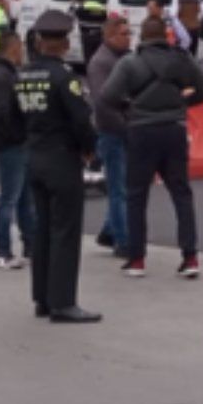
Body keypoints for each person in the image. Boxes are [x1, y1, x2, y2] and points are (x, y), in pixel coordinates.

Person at [99, 16, 203, 280]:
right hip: (174, 130)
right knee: (181, 194)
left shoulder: (130, 63)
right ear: (166, 36)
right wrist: (182, 104)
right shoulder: (181, 59)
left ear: (142, 36)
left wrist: (128, 110)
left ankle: (137, 259)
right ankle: (190, 257)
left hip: (141, 132)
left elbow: (107, 96)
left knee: (136, 196)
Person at [16, 11, 100, 323]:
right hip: (61, 159)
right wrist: (90, 148)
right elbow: (81, 119)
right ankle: (64, 302)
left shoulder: (23, 75)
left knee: (43, 231)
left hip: (34, 157)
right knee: (65, 231)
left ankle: (43, 298)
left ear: (38, 41)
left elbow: (14, 119)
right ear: (64, 42)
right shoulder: (65, 78)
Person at [0, 30, 37, 269]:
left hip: (16, 143)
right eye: (20, 47)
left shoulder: (6, 73)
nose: (23, 51)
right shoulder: (0, 76)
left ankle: (32, 247)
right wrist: (19, 134)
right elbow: (0, 113)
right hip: (9, 145)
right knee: (10, 198)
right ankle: (2, 251)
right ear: (13, 49)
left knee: (25, 199)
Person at [85, 13, 132, 256]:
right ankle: (123, 242)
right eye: (124, 34)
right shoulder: (101, 63)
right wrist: (124, 128)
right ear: (110, 36)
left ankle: (109, 231)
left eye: (129, 33)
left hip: (124, 130)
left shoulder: (125, 58)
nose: (129, 38)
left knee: (121, 186)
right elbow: (102, 103)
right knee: (118, 188)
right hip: (112, 133)